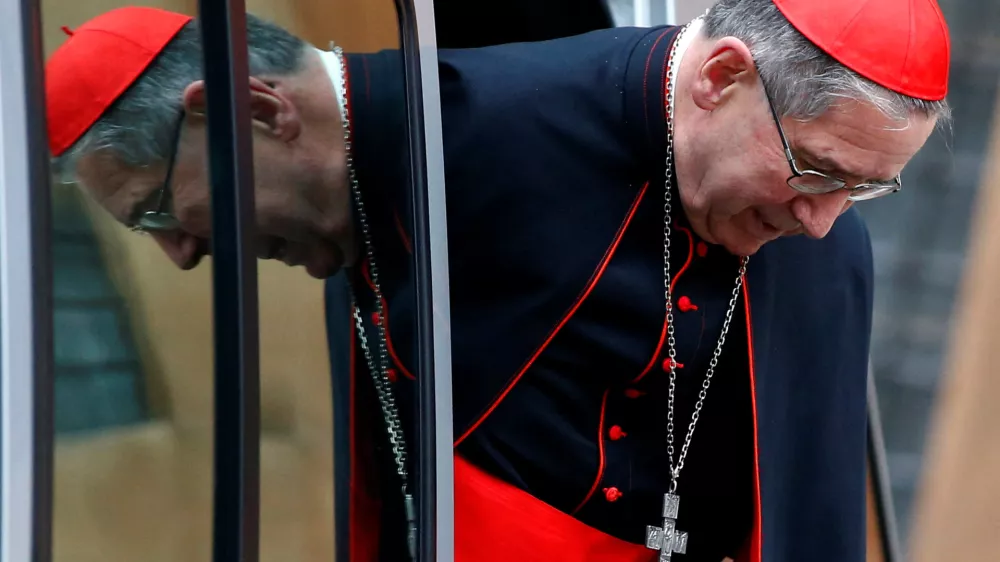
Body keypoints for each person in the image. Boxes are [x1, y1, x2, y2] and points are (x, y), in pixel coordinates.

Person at [44, 0, 950, 560]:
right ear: (718, 80)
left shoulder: (793, 235)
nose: (825, 217)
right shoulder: (389, 173)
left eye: (161, 212)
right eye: (818, 173)